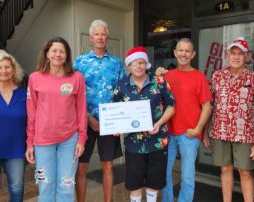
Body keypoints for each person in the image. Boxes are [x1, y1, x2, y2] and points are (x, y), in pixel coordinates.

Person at [203, 37, 254, 202]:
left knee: (245, 171)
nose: (236, 57)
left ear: (247, 56)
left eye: (240, 53)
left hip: (245, 133)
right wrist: (204, 131)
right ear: (227, 55)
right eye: (233, 53)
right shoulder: (217, 76)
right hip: (219, 130)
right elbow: (209, 105)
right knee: (225, 169)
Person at [25, 36, 87, 202]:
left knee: (66, 186)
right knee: (45, 185)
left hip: (70, 140)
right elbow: (32, 112)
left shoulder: (77, 78)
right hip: (42, 141)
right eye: (54, 50)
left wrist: (81, 138)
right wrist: (30, 142)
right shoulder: (34, 78)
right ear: (46, 54)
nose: (58, 54)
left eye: (62, 51)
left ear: (67, 55)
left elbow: (81, 110)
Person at [113, 46, 175, 202]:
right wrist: (116, 127)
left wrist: (159, 123)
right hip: (134, 143)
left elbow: (172, 106)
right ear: (129, 66)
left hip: (157, 141)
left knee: (154, 180)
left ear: (146, 64)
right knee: (134, 182)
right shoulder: (122, 86)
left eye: (141, 62)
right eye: (135, 63)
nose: (139, 66)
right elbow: (114, 111)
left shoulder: (159, 82)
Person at [74, 19, 125, 202]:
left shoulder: (117, 64)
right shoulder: (80, 63)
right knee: (81, 166)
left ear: (107, 37)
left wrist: (120, 120)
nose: (100, 37)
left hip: (110, 123)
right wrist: (87, 118)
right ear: (90, 37)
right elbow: (74, 94)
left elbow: (122, 93)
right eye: (96, 34)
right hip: (84, 122)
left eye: (103, 34)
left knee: (108, 165)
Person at [160, 38, 212, 202]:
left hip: (189, 134)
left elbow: (207, 107)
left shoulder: (199, 77)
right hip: (168, 133)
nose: (183, 54)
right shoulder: (167, 76)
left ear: (193, 54)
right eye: (180, 50)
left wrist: (198, 129)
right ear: (175, 53)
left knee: (187, 176)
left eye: (187, 51)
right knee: (165, 173)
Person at [0, 50, 26, 202]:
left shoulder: (24, 95)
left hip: (16, 150)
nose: (3, 71)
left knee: (16, 191)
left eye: (7, 67)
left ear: (14, 70)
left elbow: (32, 123)